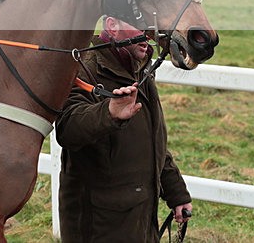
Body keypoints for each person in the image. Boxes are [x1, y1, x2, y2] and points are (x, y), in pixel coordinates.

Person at [55, 15, 193, 242]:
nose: (148, 33)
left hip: (140, 218)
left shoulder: (140, 67)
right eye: (139, 24)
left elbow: (151, 142)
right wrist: (109, 113)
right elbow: (67, 128)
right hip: (98, 225)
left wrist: (176, 193)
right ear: (112, 26)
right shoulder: (84, 65)